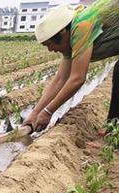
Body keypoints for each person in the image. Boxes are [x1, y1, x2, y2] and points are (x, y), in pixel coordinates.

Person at [23, 1, 119, 134]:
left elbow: (77, 79)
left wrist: (48, 111)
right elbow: (60, 79)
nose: (51, 50)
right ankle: (113, 132)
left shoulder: (81, 26)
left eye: (49, 44)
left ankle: (113, 135)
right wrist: (35, 113)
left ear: (62, 33)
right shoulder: (69, 39)